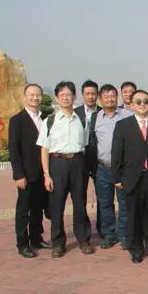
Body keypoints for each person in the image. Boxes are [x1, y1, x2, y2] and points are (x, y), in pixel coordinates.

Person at [111, 90, 148, 263]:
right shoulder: (123, 125)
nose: (142, 104)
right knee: (134, 216)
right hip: (132, 179)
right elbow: (116, 153)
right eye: (138, 102)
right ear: (131, 105)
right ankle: (136, 249)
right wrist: (117, 178)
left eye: (145, 101)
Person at [37, 81, 93, 258]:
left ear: (74, 97)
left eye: (69, 95)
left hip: (78, 163)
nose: (66, 98)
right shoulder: (49, 121)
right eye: (62, 95)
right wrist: (46, 174)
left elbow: (85, 144)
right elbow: (44, 149)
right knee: (57, 206)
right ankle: (58, 243)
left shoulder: (82, 120)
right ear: (57, 98)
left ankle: (83, 240)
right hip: (57, 164)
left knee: (80, 204)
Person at [8, 83, 51, 258]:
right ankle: (22, 243)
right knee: (23, 210)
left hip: (43, 173)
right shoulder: (17, 120)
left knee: (38, 208)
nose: (35, 98)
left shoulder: (45, 119)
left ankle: (36, 238)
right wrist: (18, 174)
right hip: (26, 174)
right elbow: (13, 149)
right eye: (31, 95)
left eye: (38, 95)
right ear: (24, 97)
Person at [92, 84, 133, 250]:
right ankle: (109, 234)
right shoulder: (94, 118)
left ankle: (124, 235)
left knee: (124, 203)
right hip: (103, 167)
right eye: (106, 96)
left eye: (112, 96)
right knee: (105, 203)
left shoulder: (128, 115)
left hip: (123, 169)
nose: (110, 99)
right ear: (100, 99)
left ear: (117, 97)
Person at [74, 80, 102, 236]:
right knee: (80, 197)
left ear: (97, 95)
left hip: (99, 161)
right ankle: (84, 230)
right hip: (81, 161)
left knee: (102, 197)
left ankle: (102, 227)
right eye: (87, 94)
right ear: (82, 95)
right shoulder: (75, 113)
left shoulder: (103, 113)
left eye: (93, 94)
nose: (91, 97)